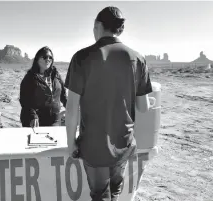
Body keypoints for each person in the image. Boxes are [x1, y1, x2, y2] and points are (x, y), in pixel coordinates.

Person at [64, 6, 153, 201]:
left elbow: (71, 110)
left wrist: (71, 143)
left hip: (94, 145)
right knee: (116, 192)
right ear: (120, 29)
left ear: (97, 26)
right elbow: (143, 107)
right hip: (124, 142)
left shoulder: (82, 58)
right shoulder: (138, 59)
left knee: (100, 195)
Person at [19, 46, 67, 127]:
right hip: (35, 122)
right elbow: (25, 100)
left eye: (50, 57)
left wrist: (72, 108)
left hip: (54, 120)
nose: (48, 59)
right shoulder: (30, 78)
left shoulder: (56, 75)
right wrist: (32, 115)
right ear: (38, 59)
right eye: (45, 57)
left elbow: (63, 95)